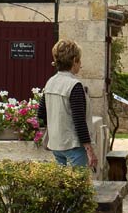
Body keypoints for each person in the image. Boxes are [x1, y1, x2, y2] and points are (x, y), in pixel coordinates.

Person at [37, 39, 98, 168]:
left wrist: (57, 125)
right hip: (73, 145)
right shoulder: (74, 85)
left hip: (56, 144)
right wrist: (89, 149)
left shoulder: (50, 82)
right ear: (74, 60)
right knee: (79, 184)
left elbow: (41, 112)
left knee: (62, 184)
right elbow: (79, 120)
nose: (80, 64)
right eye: (79, 60)